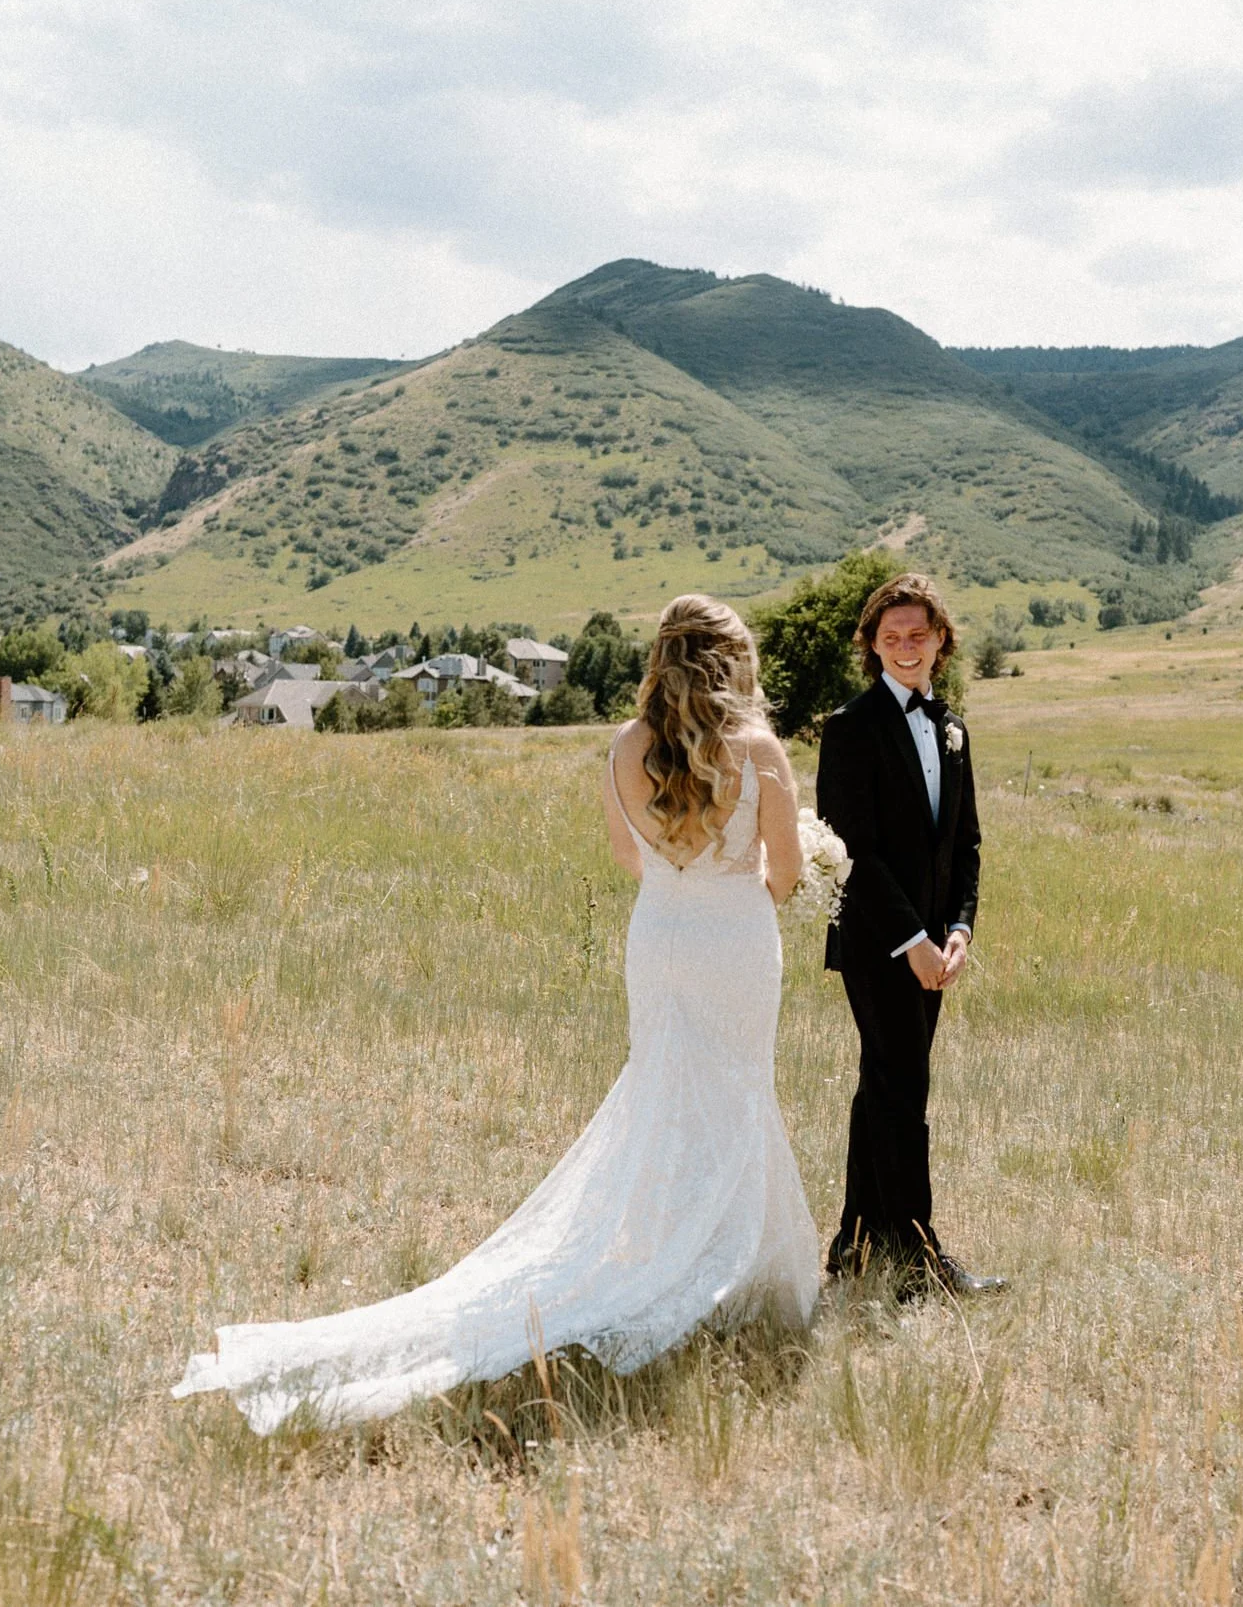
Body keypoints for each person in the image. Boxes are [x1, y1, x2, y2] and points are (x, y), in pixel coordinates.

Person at [173, 595, 818, 1432]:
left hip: (660, 937)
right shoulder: (759, 750)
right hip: (734, 944)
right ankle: (721, 1271)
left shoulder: (625, 746)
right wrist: (740, 892)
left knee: (665, 1093)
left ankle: (677, 1249)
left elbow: (627, 855)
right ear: (733, 662)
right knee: (736, 1091)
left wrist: (681, 889)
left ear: (662, 658)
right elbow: (786, 870)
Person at [815, 572, 1004, 1300]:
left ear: (940, 640)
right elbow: (852, 850)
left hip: (936, 947)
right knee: (903, 1090)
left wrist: (958, 928)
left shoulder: (953, 729)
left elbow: (966, 845)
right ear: (871, 644)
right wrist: (911, 940)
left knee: (884, 1085)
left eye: (917, 634)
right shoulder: (850, 727)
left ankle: (855, 1245)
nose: (904, 646)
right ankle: (919, 1258)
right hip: (876, 942)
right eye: (890, 635)